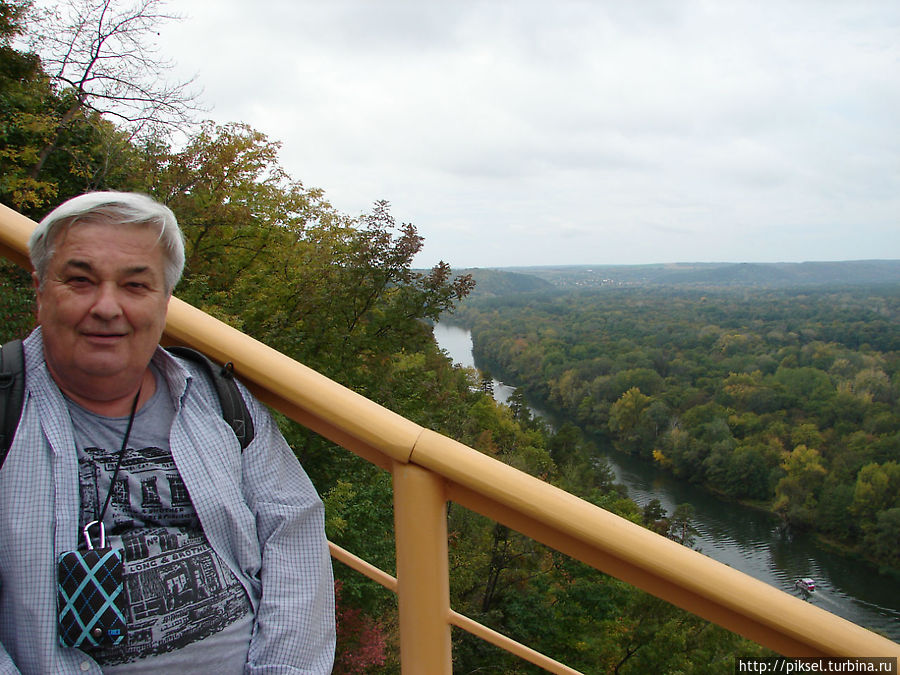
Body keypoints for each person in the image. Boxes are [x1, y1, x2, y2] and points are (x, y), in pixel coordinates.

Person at [0, 192, 335, 674]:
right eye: (80, 280)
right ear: (40, 288)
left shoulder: (219, 399)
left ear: (165, 300)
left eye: (136, 286)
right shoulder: (6, 405)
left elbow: (294, 532)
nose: (107, 307)